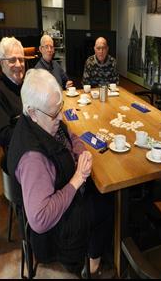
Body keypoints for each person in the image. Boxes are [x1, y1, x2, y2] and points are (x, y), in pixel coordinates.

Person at [7, 68, 115, 278]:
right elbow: (40, 219)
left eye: (61, 108)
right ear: (32, 112)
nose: (60, 116)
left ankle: (98, 248)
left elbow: (69, 132)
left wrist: (81, 152)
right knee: (106, 202)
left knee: (100, 189)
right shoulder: (33, 159)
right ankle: (92, 264)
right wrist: (77, 179)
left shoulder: (43, 121)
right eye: (54, 113)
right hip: (55, 232)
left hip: (63, 185)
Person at [0, 36, 25, 172]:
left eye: (21, 59)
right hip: (19, 154)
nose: (18, 64)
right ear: (1, 63)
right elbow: (4, 136)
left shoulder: (27, 85)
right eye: (12, 60)